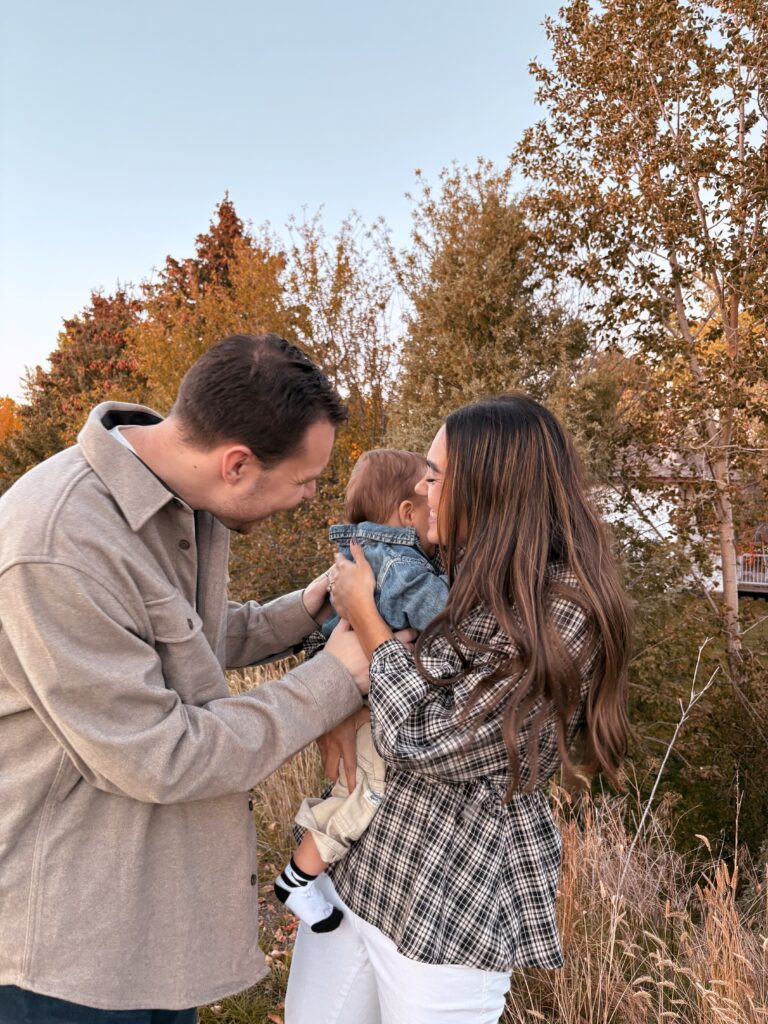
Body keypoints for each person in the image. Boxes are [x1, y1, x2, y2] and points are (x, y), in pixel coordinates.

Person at [0, 333, 373, 1023]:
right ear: (236, 464)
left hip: (148, 932)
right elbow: (159, 754)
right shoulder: (58, 545)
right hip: (65, 953)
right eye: (304, 480)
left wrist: (308, 606)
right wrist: (335, 680)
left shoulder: (176, 500)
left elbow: (178, 636)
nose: (309, 497)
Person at [285, 394, 632, 1024]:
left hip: (448, 904)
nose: (422, 486)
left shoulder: (560, 611)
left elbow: (436, 739)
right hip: (367, 872)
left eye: (436, 473)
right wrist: (342, 697)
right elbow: (357, 665)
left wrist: (368, 625)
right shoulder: (451, 572)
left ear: (493, 485)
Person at [274, 449, 449, 932]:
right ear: (407, 514)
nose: (437, 501)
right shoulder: (402, 565)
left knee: (351, 784)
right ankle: (299, 876)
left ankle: (305, 867)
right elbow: (450, 618)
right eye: (428, 490)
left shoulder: (358, 556)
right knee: (365, 791)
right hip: (369, 696)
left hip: (350, 688)